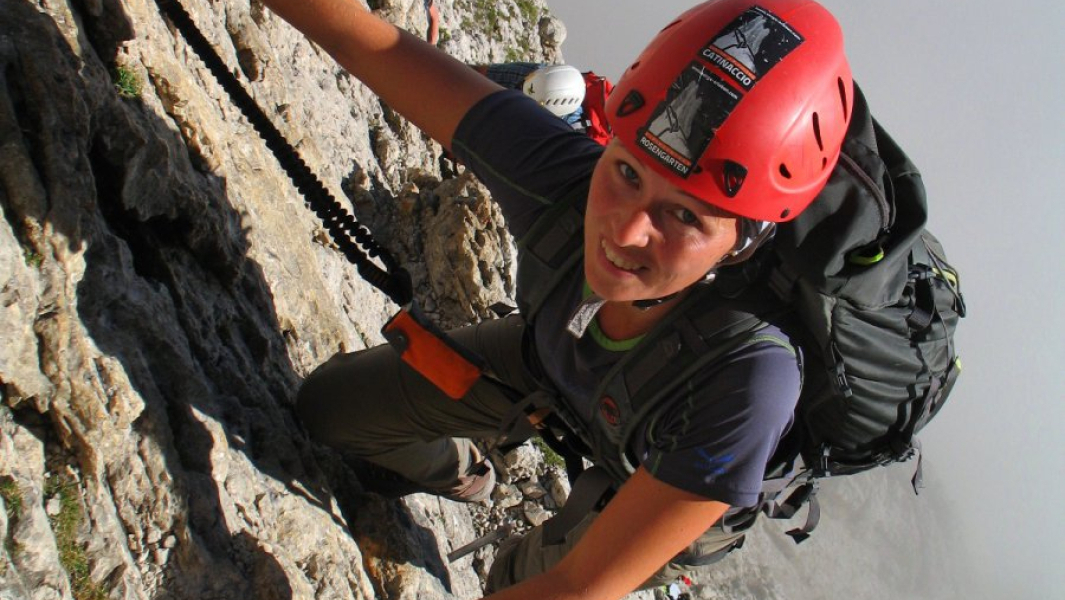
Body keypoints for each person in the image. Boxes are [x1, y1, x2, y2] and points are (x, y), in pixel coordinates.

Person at [259, 0, 853, 598]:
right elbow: (371, 46)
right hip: (550, 360)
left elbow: (575, 587)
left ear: (741, 246)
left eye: (683, 215)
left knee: (513, 581)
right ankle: (462, 472)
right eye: (627, 173)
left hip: (656, 471)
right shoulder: (562, 176)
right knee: (328, 409)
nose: (624, 233)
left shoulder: (751, 379)